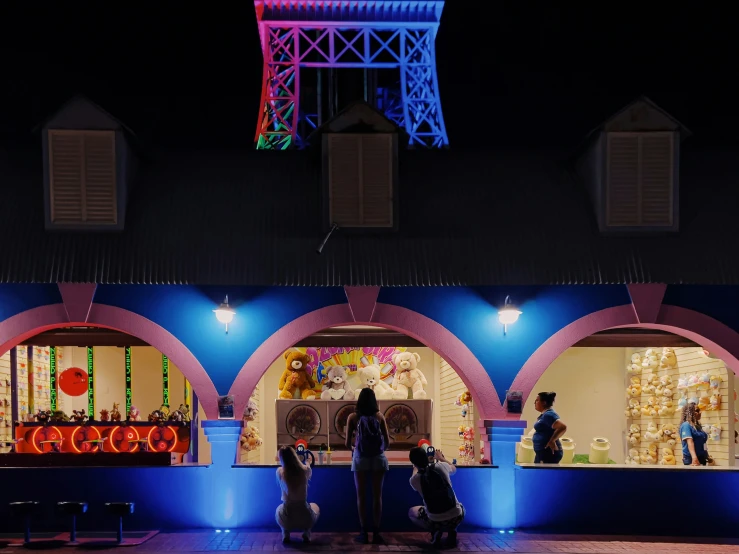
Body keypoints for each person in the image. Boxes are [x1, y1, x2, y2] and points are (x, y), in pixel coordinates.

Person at [345, 388, 391, 544]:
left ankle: (363, 533)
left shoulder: (352, 417)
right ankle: (377, 533)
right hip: (378, 459)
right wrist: (378, 450)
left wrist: (356, 448)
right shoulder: (380, 417)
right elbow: (388, 443)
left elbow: (346, 444)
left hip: (360, 458)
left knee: (361, 496)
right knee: (377, 496)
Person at [408, 446, 465, 548]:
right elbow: (454, 469)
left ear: (413, 462)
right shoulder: (441, 466)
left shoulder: (415, 480)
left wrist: (416, 465)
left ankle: (435, 531)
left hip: (435, 521)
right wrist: (441, 458)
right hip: (456, 517)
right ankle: (452, 530)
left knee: (412, 512)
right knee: (460, 506)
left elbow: (416, 471)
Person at [275, 445, 320, 544]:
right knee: (315, 506)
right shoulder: (305, 470)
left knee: (278, 509)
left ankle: (285, 532)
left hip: (287, 518)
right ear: (294, 455)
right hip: (305, 517)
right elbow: (308, 469)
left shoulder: (279, 472)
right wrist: (307, 461)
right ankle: (307, 532)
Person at [532, 391, 567, 464]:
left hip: (549, 453)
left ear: (544, 402)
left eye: (537, 400)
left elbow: (562, 427)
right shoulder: (544, 415)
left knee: (544, 474)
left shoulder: (549, 415)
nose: (534, 402)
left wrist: (552, 440)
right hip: (542, 453)